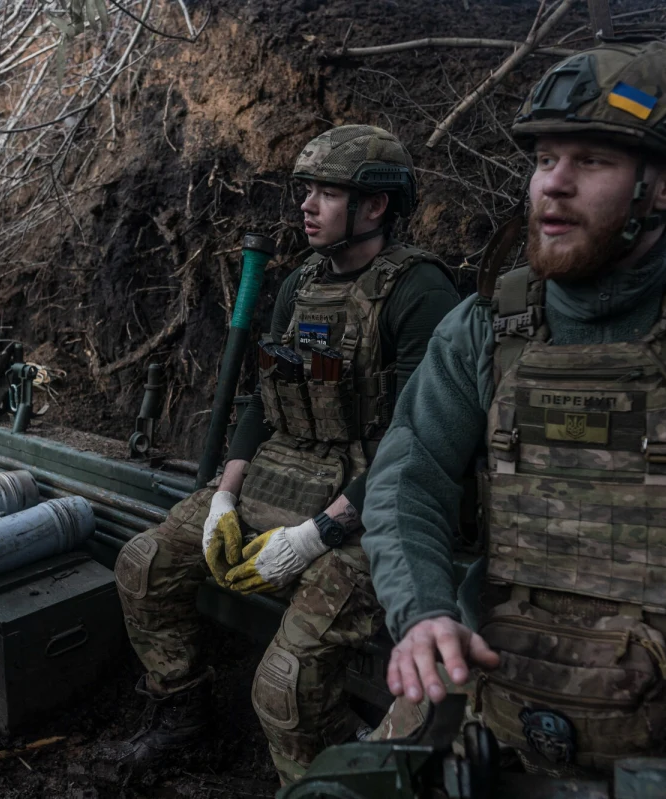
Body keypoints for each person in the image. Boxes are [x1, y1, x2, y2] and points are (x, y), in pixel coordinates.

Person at [360, 39, 666, 775]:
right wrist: (422, 613)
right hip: (484, 697)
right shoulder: (487, 322)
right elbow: (407, 476)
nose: (553, 185)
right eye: (545, 158)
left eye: (592, 161)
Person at [110, 124, 461, 783]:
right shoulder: (300, 282)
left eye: (327, 193)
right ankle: (183, 712)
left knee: (286, 682)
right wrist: (223, 494)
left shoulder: (420, 294)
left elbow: (419, 441)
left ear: (376, 205)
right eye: (308, 191)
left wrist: (316, 533)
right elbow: (261, 399)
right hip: (281, 475)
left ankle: (321, 782)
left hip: (371, 508)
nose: (306, 205)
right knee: (143, 563)